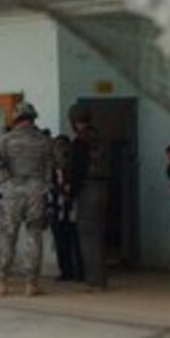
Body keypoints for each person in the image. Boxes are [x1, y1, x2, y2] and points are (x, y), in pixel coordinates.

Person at [0, 101, 53, 297]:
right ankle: (31, 284)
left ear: (16, 118)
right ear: (33, 118)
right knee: (34, 236)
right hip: (36, 192)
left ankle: (1, 282)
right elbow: (56, 163)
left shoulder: (4, 140)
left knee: (7, 236)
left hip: (11, 193)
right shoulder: (44, 141)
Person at [69, 103, 110, 289]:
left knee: (87, 235)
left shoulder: (79, 142)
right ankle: (102, 277)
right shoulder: (102, 138)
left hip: (87, 188)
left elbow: (77, 171)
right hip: (103, 187)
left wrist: (71, 195)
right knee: (99, 234)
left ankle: (94, 280)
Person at [49, 134, 82, 281]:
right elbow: (50, 185)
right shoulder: (52, 168)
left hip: (72, 206)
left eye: (64, 147)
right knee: (60, 240)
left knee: (75, 239)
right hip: (58, 207)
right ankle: (65, 270)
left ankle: (79, 270)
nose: (61, 151)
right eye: (58, 147)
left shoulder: (75, 166)